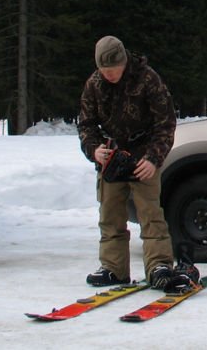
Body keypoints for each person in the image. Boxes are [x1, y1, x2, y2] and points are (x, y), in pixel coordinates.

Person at [78, 35, 179, 290]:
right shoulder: (94, 84)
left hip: (144, 152)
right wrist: (95, 149)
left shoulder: (148, 79)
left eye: (114, 70)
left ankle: (159, 265)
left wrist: (154, 158)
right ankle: (113, 268)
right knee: (110, 214)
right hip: (112, 155)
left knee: (150, 213)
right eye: (105, 70)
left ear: (124, 63)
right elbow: (86, 125)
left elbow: (165, 123)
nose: (110, 75)